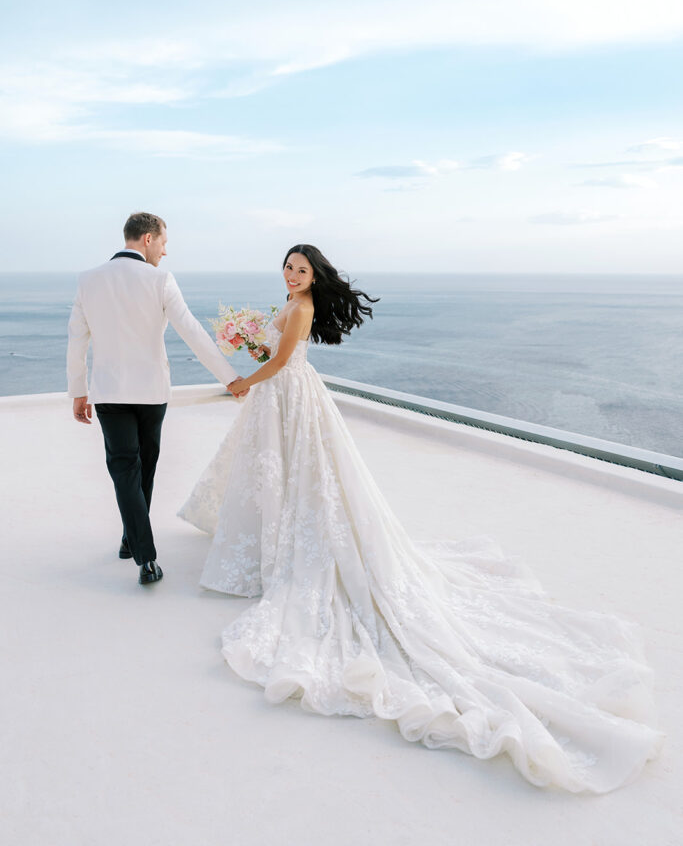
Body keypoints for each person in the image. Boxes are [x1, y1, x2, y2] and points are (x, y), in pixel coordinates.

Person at [178, 244, 663, 793]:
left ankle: (301, 546)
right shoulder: (289, 301)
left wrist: (246, 379)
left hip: (289, 395)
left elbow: (285, 359)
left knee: (311, 482)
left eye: (301, 269)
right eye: (288, 268)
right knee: (283, 477)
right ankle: (276, 534)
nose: (291, 276)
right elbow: (276, 348)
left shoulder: (304, 308)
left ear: (316, 276)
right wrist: (251, 344)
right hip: (282, 400)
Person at [67, 212, 245, 585]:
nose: (165, 253)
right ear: (147, 239)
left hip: (109, 393)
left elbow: (77, 342)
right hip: (151, 393)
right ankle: (146, 559)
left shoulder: (89, 280)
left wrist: (78, 392)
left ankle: (132, 540)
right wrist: (230, 378)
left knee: (125, 469)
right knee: (143, 467)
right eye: (163, 243)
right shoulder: (161, 279)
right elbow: (192, 332)